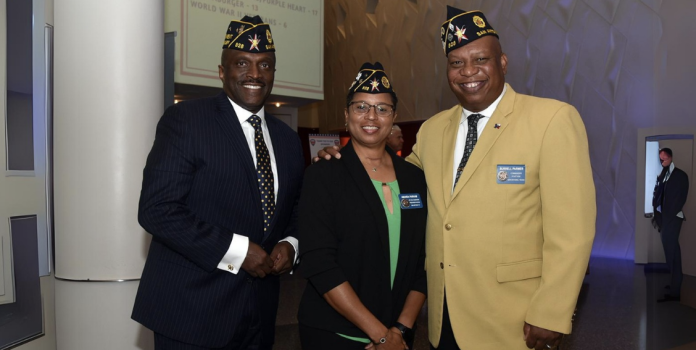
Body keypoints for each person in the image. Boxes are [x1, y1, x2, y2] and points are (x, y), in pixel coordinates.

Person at [317, 6, 596, 350]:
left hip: (514, 320)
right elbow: (399, 176)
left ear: (503, 63)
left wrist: (552, 311)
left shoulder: (551, 119)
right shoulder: (434, 130)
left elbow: (573, 230)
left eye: (480, 59)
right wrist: (341, 159)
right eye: (456, 63)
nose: (468, 72)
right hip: (442, 315)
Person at [131, 15, 305, 349]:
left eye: (264, 65)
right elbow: (157, 210)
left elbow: (295, 207)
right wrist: (238, 251)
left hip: (261, 315)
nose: (254, 74)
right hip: (191, 314)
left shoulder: (287, 139)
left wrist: (291, 244)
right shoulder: (186, 121)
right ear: (222, 71)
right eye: (242, 63)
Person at [298, 62, 427, 350]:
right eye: (361, 107)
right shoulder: (323, 175)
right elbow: (320, 265)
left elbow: (424, 262)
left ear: (393, 117)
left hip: (399, 334)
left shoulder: (415, 178)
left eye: (382, 108)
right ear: (346, 115)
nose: (371, 116)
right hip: (335, 335)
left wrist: (400, 330)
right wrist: (381, 334)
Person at [652, 147, 689, 302]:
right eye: (660, 159)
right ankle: (675, 285)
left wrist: (667, 218)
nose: (662, 161)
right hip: (664, 219)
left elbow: (680, 199)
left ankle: (675, 292)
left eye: (664, 159)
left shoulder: (680, 175)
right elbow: (659, 196)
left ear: (671, 157)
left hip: (672, 219)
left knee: (672, 254)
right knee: (672, 253)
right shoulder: (663, 174)